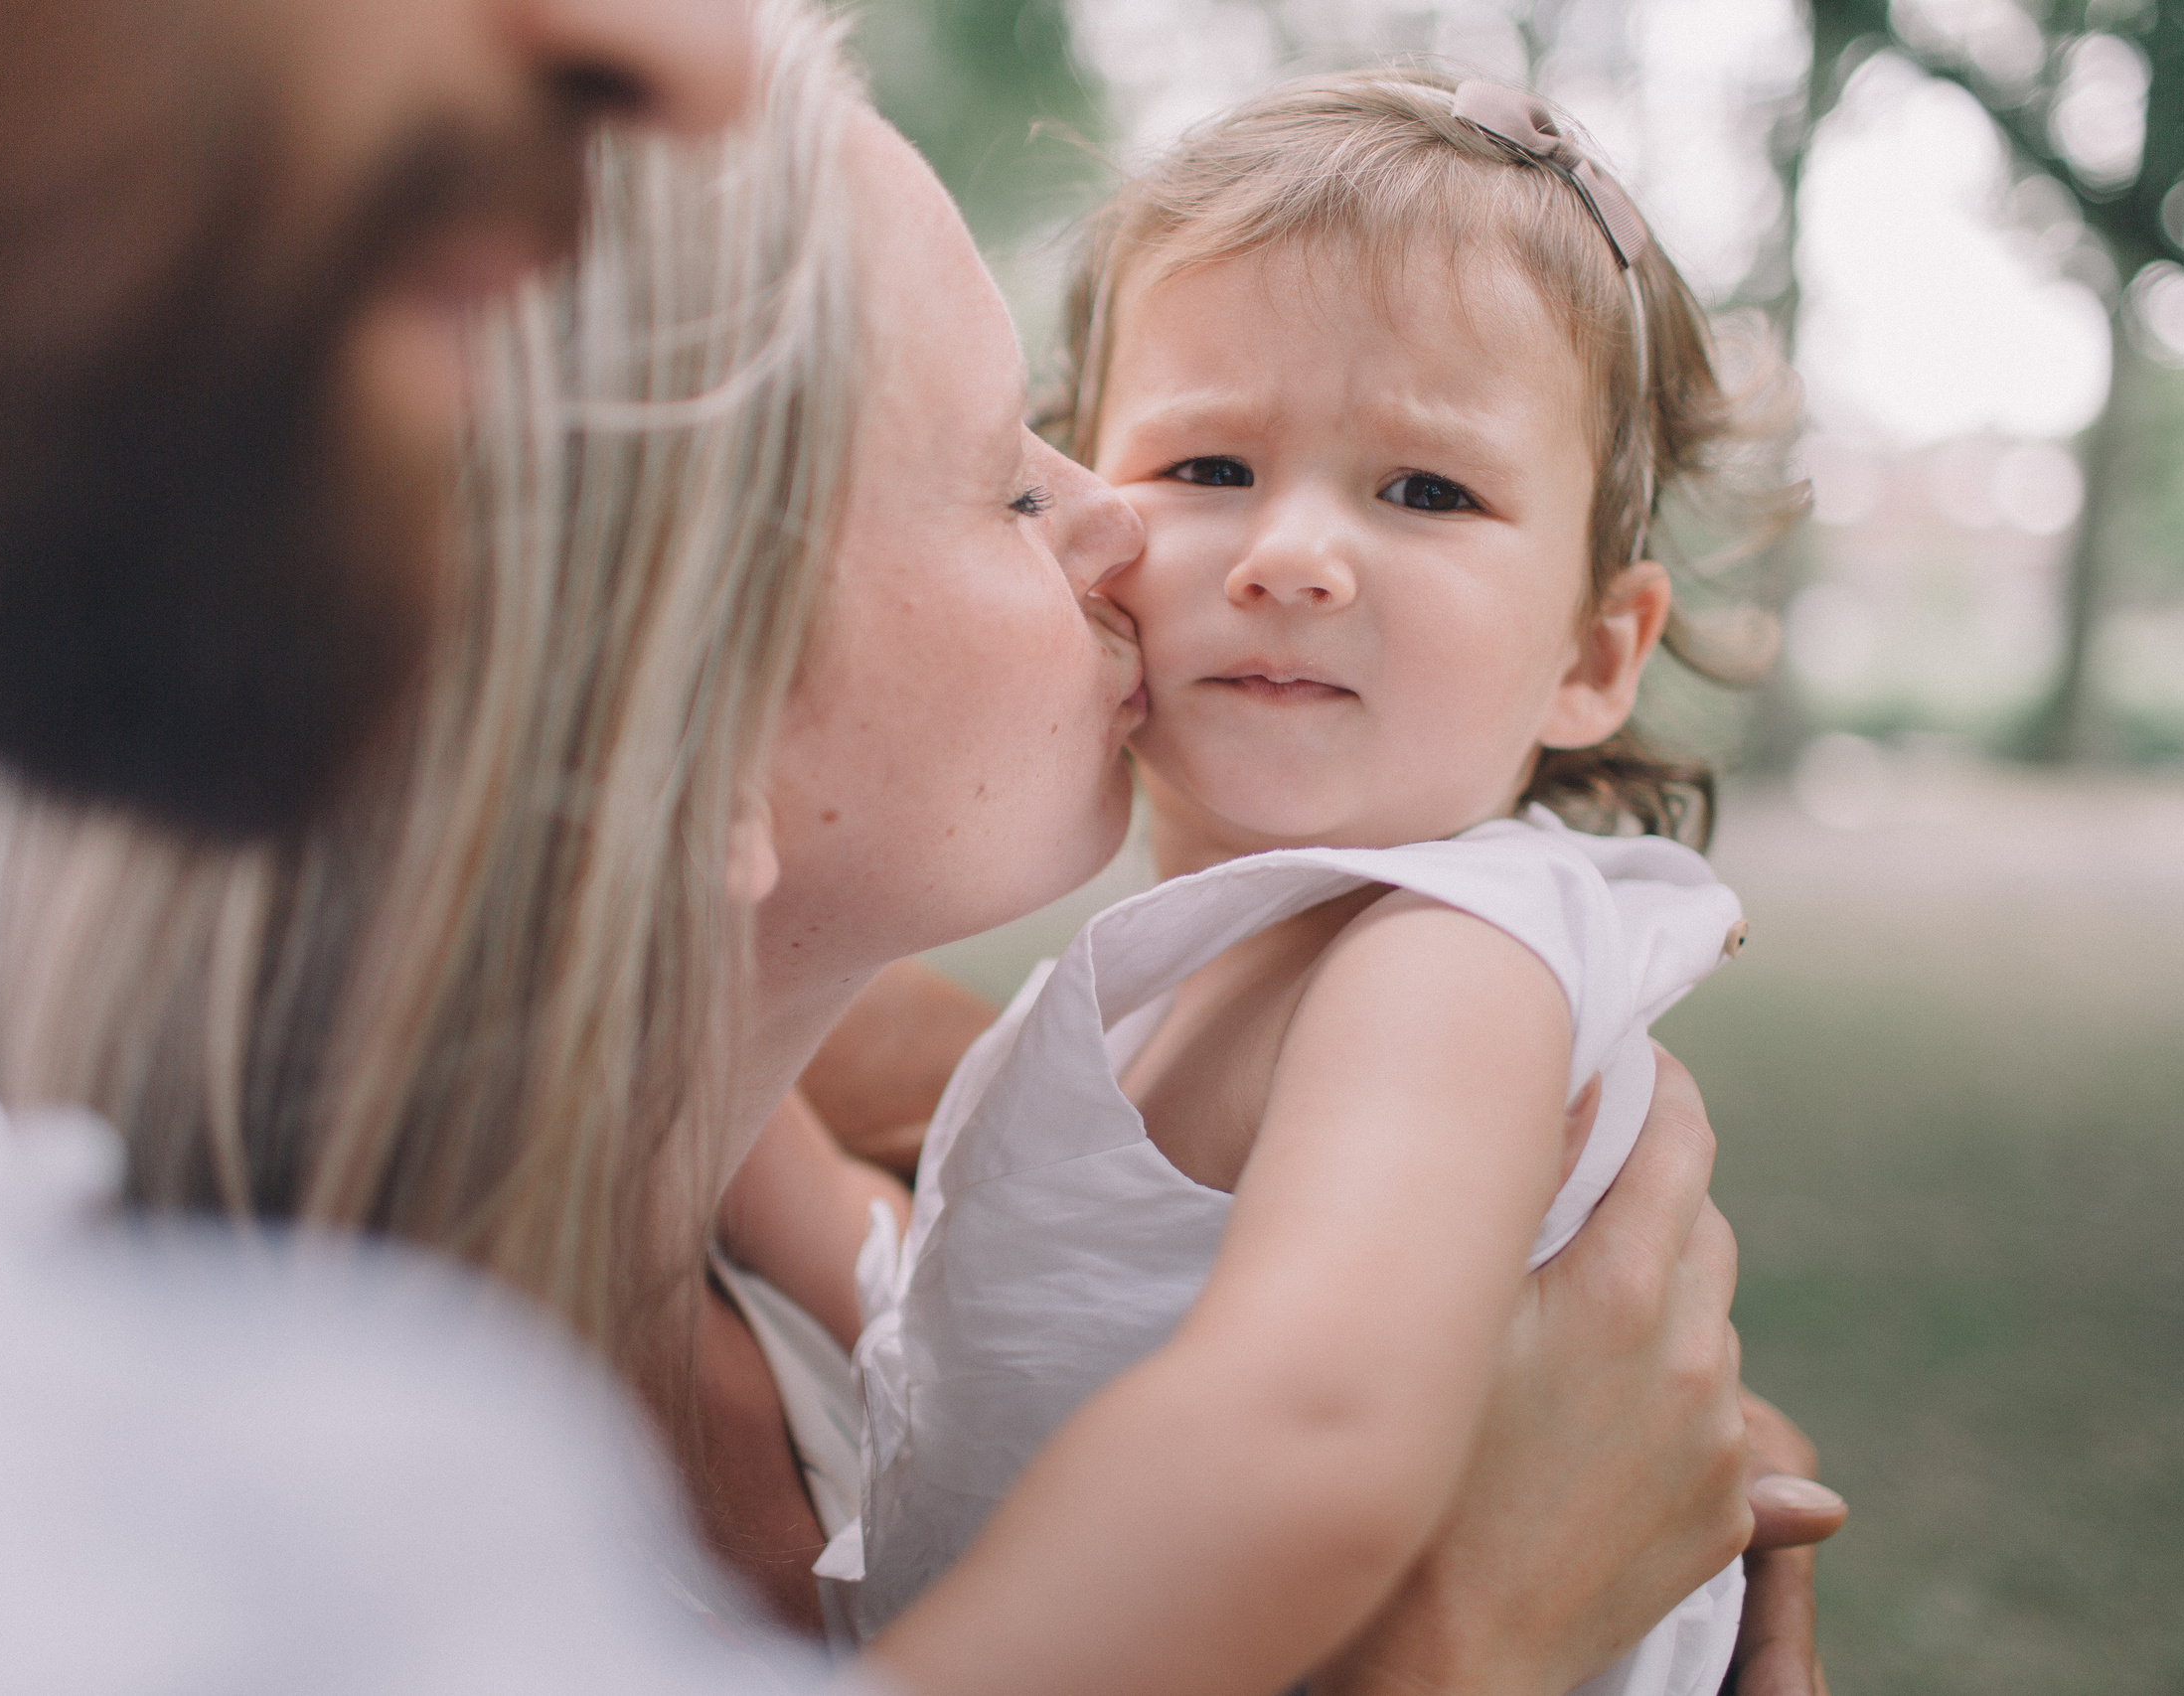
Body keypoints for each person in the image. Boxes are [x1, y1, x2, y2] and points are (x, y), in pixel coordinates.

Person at [0, 1, 1839, 1690]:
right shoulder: (189, 1531)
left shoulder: (1363, 986)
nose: (1149, 539)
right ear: (677, 748)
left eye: (1423, 492)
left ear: (1598, 643)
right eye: (1011, 478)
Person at [726, 71, 1792, 1696]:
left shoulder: (1444, 962)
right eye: (1209, 466)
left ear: (1594, 656)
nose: (1291, 553)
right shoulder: (1186, 973)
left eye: (1426, 491)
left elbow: (1313, 1432)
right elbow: (927, 1335)